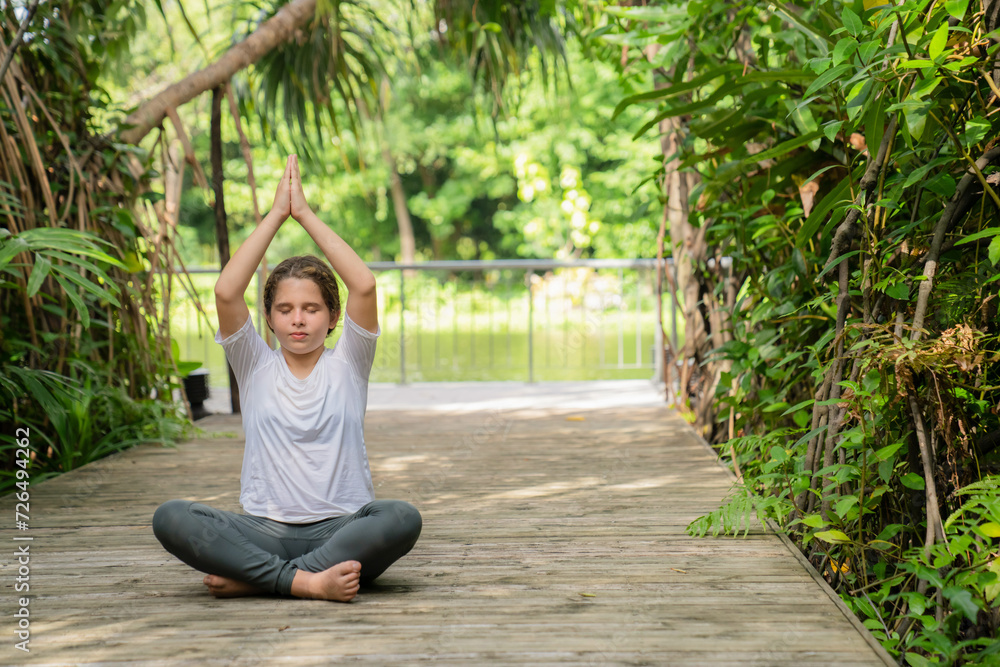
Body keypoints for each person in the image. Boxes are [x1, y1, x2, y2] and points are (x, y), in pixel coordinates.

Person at [152, 155, 421, 602]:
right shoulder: (253, 363)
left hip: (342, 531)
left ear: (332, 316)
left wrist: (306, 214)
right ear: (269, 318)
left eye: (311, 309)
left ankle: (261, 579)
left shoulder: (350, 361)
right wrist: (277, 214)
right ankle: (308, 582)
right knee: (171, 516)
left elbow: (365, 285)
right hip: (263, 532)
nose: (298, 319)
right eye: (285, 309)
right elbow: (225, 291)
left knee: (401, 518)